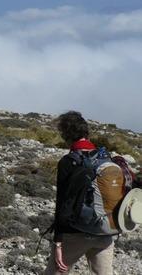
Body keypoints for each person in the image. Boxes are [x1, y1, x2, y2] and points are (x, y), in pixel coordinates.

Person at [44, 111, 117, 275]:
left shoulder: (68, 161)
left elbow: (63, 204)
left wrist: (58, 243)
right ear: (86, 132)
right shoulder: (106, 159)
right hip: (105, 232)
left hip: (76, 233)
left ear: (66, 134)